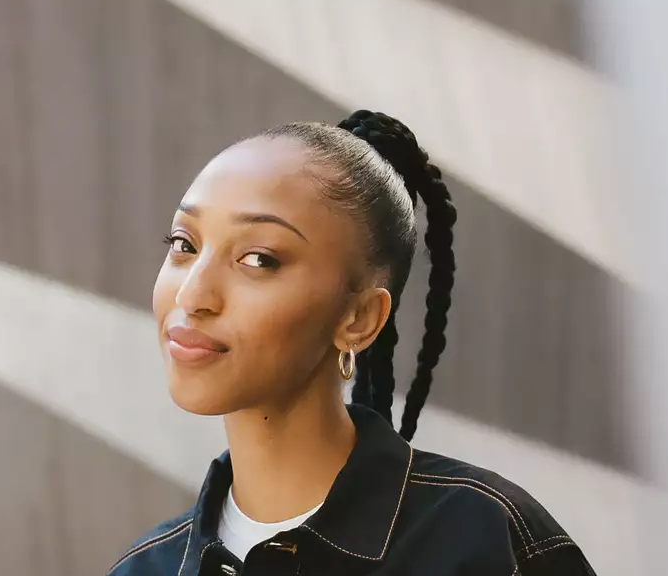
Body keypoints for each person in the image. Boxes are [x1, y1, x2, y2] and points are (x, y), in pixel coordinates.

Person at [107, 110, 596, 575]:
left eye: (258, 259)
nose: (193, 295)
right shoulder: (144, 571)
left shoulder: (485, 541)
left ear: (359, 318)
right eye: (183, 245)